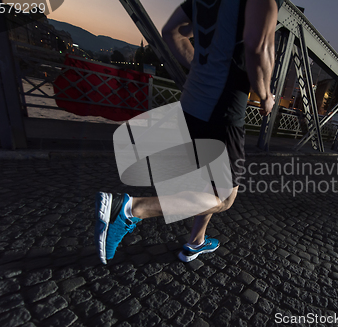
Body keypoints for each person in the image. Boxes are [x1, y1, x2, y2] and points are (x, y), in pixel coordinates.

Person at [94, 0, 283, 264]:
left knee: (207, 181)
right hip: (223, 110)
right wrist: (265, 97)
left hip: (192, 103)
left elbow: (172, 31)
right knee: (224, 196)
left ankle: (196, 241)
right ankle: (130, 209)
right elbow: (257, 46)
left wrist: (203, 69)